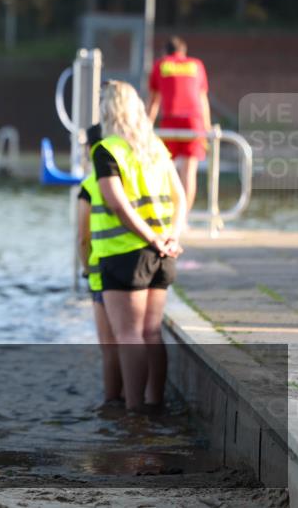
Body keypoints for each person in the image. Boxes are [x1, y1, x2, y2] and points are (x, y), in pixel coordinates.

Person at [92, 82, 186, 412]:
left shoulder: (107, 149)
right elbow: (180, 197)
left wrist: (150, 238)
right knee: (151, 333)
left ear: (108, 110)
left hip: (126, 255)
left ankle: (134, 413)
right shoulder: (156, 147)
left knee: (128, 334)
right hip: (162, 255)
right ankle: (155, 403)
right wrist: (170, 237)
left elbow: (117, 203)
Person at [76, 124, 121, 404]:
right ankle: (142, 401)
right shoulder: (128, 172)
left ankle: (113, 405)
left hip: (103, 272)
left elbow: (83, 237)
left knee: (110, 348)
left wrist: (86, 268)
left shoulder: (91, 184)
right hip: (136, 261)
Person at [147, 36, 211, 214]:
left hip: (170, 121)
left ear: (165, 52)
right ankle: (182, 218)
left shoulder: (161, 64)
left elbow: (154, 101)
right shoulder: (196, 65)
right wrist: (207, 128)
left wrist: (145, 126)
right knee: (189, 172)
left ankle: (164, 212)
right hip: (194, 122)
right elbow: (202, 99)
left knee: (164, 168)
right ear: (183, 52)